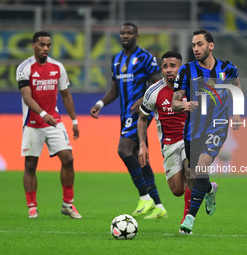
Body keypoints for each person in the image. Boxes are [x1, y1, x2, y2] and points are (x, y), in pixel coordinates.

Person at [90, 22, 166, 218]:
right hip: (124, 115)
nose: (125, 36)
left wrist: (143, 98)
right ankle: (159, 206)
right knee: (140, 157)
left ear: (136, 36)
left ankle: (145, 198)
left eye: (129, 33)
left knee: (123, 150)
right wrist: (100, 103)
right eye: (122, 33)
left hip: (140, 113)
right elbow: (114, 89)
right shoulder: (116, 59)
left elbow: (159, 83)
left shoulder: (145, 58)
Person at [172, 28, 242, 233]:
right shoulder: (186, 71)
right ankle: (210, 189)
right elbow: (175, 102)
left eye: (199, 44)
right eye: (193, 45)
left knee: (202, 164)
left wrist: (236, 112)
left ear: (211, 46)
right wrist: (183, 105)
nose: (195, 48)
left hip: (218, 125)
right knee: (193, 177)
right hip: (193, 129)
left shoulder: (227, 68)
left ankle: (189, 220)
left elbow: (236, 85)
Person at [16, 31, 82, 219]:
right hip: (32, 123)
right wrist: (43, 114)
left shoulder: (58, 67)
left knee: (68, 159)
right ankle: (32, 206)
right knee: (30, 165)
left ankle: (68, 204)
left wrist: (74, 121)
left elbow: (66, 94)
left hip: (54, 122)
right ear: (33, 46)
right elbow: (26, 96)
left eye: (48, 45)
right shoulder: (24, 68)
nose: (46, 48)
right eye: (42, 45)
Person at [137, 51, 192, 221]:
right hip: (169, 143)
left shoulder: (191, 87)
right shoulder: (153, 92)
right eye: (165, 66)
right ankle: (207, 187)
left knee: (191, 174)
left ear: (180, 68)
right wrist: (142, 145)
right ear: (161, 69)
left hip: (189, 138)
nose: (169, 70)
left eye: (173, 66)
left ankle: (187, 222)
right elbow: (142, 119)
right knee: (177, 190)